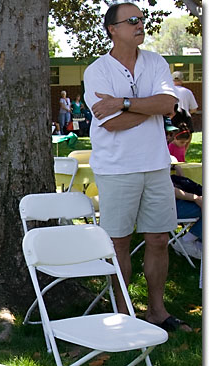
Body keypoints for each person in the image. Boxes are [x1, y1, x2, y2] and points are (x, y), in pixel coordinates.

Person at [83, 2, 190, 332]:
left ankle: (156, 311)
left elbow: (170, 104)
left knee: (158, 238)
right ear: (112, 29)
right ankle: (123, 314)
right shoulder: (97, 71)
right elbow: (112, 123)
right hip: (116, 169)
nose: (139, 24)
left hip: (157, 165)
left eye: (141, 19)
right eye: (131, 20)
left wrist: (124, 102)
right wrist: (153, 108)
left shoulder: (156, 62)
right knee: (119, 243)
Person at [171, 70, 198, 141]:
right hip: (185, 121)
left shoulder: (168, 91)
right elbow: (194, 109)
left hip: (171, 121)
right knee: (183, 147)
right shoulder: (188, 92)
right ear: (182, 80)